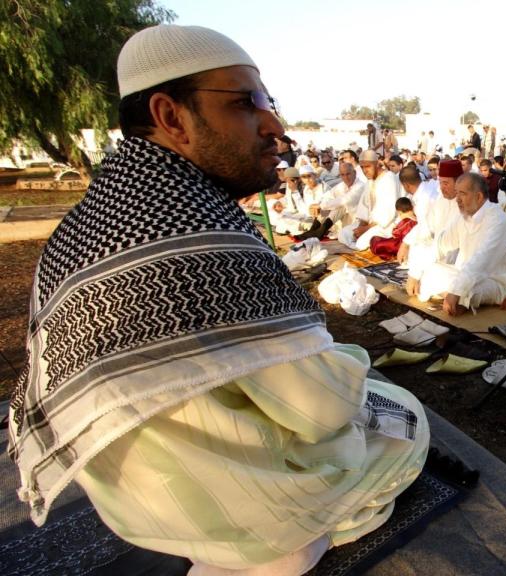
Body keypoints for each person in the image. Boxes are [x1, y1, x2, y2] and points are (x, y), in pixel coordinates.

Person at [8, 24, 428, 574]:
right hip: (237, 505)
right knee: (407, 420)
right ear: (170, 116)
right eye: (247, 102)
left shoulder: (80, 227)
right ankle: (295, 539)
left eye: (268, 102)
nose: (274, 124)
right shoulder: (199, 238)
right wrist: (352, 366)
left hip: (131, 505)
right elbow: (324, 408)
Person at [416, 173, 506, 315]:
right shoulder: (463, 216)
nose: (457, 199)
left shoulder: (497, 219)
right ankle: (455, 298)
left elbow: (482, 260)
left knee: (466, 291)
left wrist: (455, 291)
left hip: (495, 281)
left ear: (479, 197)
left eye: (462, 194)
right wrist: (416, 272)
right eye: (456, 193)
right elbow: (441, 245)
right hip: (464, 275)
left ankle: (455, 298)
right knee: (429, 270)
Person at [403, 159, 462, 296]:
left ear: (458, 182)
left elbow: (449, 247)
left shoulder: (464, 204)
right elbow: (427, 225)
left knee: (428, 277)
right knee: (416, 248)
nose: (442, 187)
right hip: (440, 254)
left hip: (457, 260)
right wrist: (406, 243)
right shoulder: (442, 199)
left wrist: (417, 272)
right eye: (440, 182)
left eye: (446, 183)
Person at [340, 150, 404, 249]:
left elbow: (388, 214)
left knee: (361, 243)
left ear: (377, 164)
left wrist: (365, 229)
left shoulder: (388, 179)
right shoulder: (370, 182)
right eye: (362, 167)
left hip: (386, 225)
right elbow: (364, 206)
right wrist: (361, 226)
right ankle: (364, 246)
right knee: (343, 233)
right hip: (369, 224)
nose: (365, 170)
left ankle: (364, 246)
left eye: (368, 166)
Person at [317, 160, 365, 233]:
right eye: (342, 175)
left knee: (340, 205)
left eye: (348, 174)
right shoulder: (342, 185)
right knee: (329, 207)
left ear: (354, 173)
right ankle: (316, 231)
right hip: (341, 223)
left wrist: (322, 206)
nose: (346, 177)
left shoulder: (360, 186)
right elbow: (327, 196)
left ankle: (319, 231)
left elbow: (344, 200)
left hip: (357, 223)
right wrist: (322, 205)